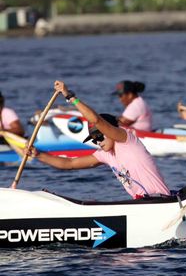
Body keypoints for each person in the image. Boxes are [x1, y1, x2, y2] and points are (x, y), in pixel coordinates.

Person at [24, 80, 170, 199]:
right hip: (143, 202)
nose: (97, 141)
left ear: (111, 130)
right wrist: (38, 155)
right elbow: (69, 163)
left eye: (99, 135)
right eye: (93, 138)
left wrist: (69, 96)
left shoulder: (125, 138)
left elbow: (97, 120)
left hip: (160, 200)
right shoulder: (104, 154)